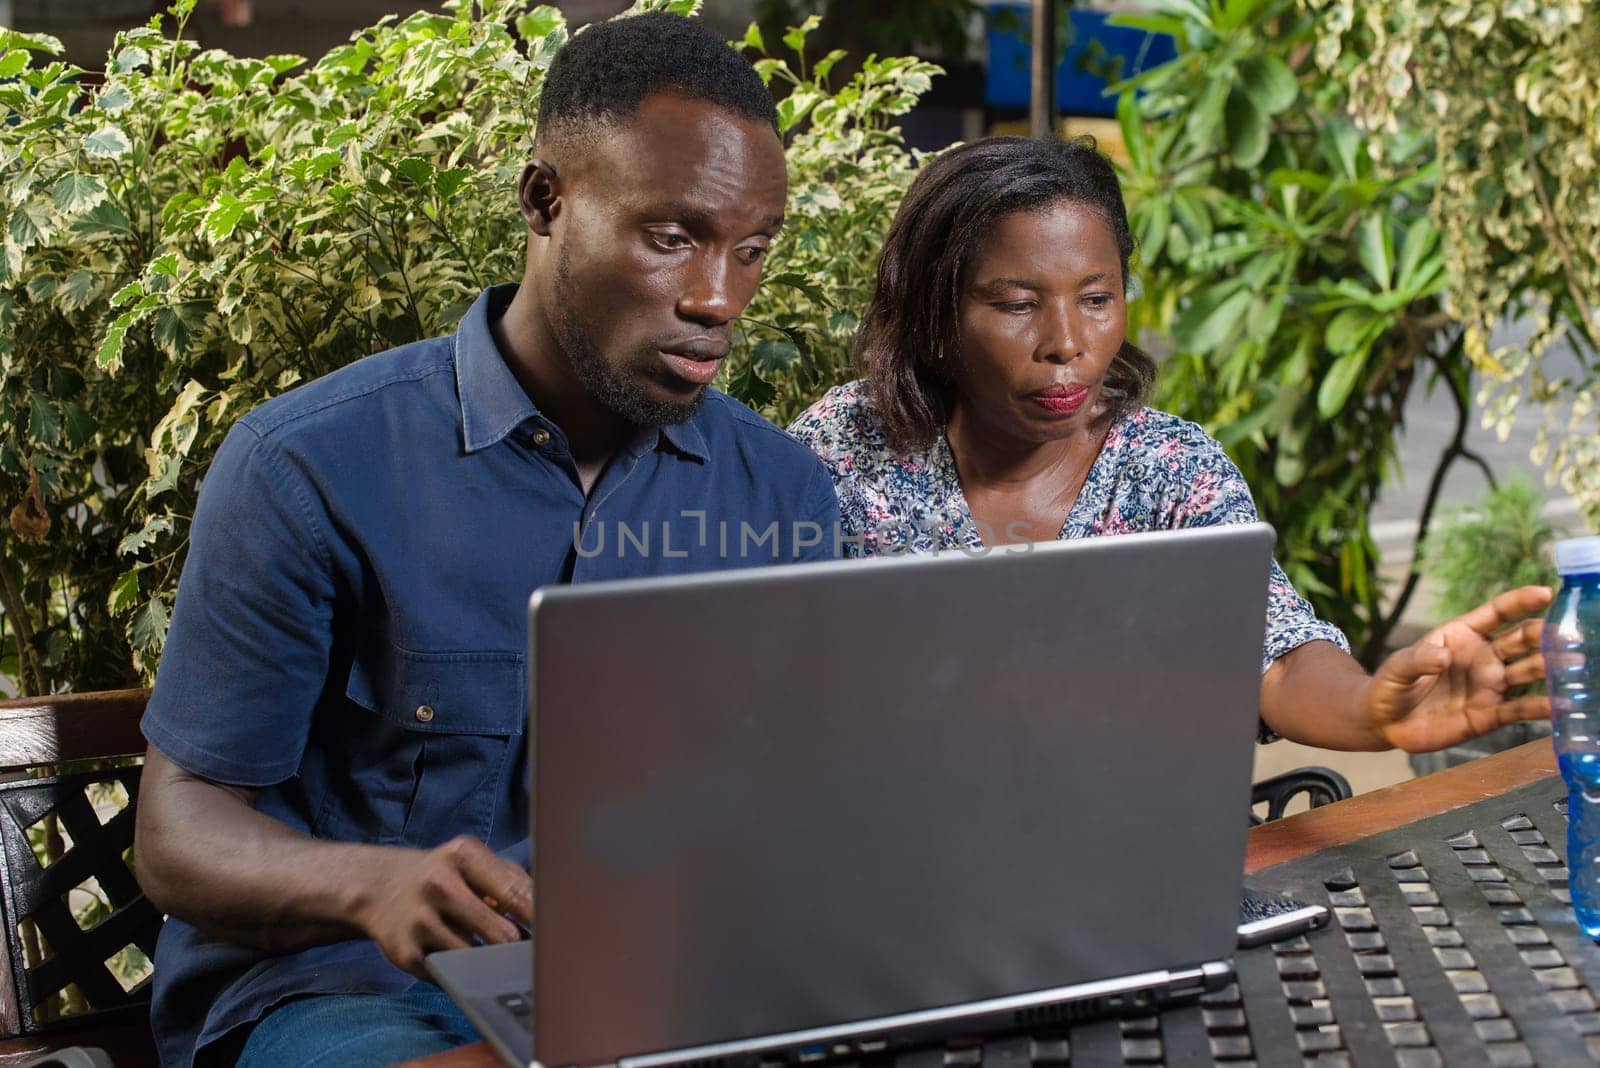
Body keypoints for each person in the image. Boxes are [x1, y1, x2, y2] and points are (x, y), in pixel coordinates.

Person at [134, 14, 839, 1067]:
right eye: (671, 237)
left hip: (653, 998)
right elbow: (176, 829)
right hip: (345, 997)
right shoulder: (310, 465)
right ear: (545, 201)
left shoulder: (782, 492)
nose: (717, 299)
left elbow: (796, 810)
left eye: (751, 250)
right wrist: (369, 883)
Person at [789, 136, 1549, 754]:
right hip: (881, 865)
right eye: (1017, 304)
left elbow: (1270, 648)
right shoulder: (847, 451)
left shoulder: (1167, 470)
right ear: (934, 312)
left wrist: (1374, 711)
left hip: (1120, 866)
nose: (1067, 344)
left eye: (1097, 299)